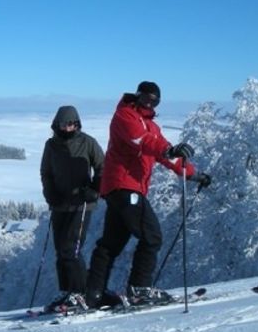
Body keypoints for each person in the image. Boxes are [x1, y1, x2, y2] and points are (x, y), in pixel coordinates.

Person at [85, 81, 211, 308]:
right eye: (146, 98)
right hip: (124, 186)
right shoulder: (125, 116)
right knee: (152, 236)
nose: (150, 103)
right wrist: (168, 149)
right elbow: (141, 141)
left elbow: (166, 155)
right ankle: (139, 290)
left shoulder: (152, 127)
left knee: (110, 244)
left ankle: (94, 293)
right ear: (137, 96)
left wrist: (193, 175)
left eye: (155, 101)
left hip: (122, 190)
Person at [40, 105, 105, 312]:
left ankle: (80, 293)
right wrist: (50, 194)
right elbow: (46, 173)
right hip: (59, 204)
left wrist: (95, 189)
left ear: (77, 123)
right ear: (56, 124)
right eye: (63, 124)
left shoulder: (88, 142)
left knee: (72, 249)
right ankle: (66, 291)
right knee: (61, 250)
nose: (67, 127)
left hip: (83, 204)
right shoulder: (51, 145)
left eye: (71, 123)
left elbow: (104, 168)